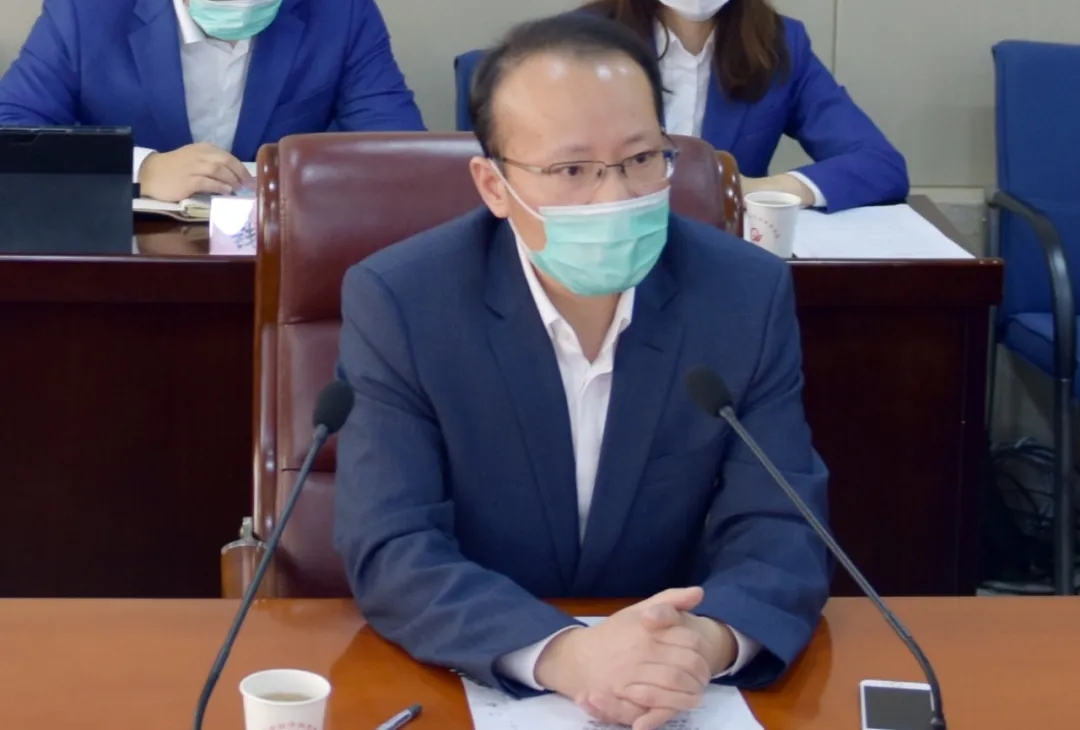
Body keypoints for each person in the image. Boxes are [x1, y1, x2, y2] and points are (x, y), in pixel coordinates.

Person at [334, 13, 829, 730]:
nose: (616, 196)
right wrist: (567, 654)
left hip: (677, 689)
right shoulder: (404, 302)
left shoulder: (743, 295)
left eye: (641, 158)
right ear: (494, 185)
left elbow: (781, 525)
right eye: (572, 170)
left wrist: (704, 642)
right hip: (463, 682)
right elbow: (392, 544)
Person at [0, 0, 425, 202]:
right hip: (125, 264)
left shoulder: (341, 12)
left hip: (280, 264)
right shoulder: (86, 10)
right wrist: (141, 170)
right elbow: (11, 132)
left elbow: (402, 154)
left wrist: (297, 180)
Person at [583, 0, 908, 212]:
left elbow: (880, 165)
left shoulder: (779, 44)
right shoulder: (579, 42)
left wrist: (753, 189)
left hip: (725, 259)